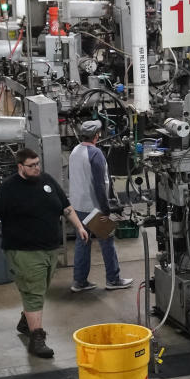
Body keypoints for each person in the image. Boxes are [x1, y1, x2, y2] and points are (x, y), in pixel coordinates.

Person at [0, 148, 89, 358]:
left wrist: (79, 226)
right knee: (34, 292)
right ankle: (37, 338)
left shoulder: (46, 181)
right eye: (32, 165)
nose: (37, 168)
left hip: (49, 248)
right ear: (20, 167)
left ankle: (26, 320)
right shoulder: (8, 189)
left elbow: (65, 207)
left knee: (39, 289)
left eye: (38, 163)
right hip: (23, 250)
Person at [68, 120, 132, 292]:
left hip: (77, 206)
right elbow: (99, 185)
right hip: (93, 207)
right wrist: (106, 208)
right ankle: (113, 279)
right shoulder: (95, 153)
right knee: (107, 241)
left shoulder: (75, 151)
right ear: (97, 135)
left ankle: (79, 282)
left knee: (83, 242)